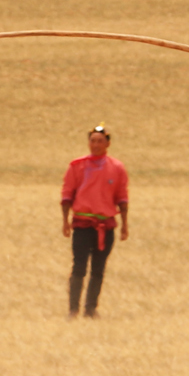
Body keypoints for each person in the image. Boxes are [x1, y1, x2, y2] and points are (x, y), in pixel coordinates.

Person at [60, 124, 129, 319]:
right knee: (79, 267)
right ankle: (73, 309)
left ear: (107, 144)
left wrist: (124, 225)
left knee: (98, 269)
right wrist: (65, 221)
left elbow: (122, 198)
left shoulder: (117, 168)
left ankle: (90, 309)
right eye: (92, 141)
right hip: (83, 225)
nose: (96, 144)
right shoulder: (77, 166)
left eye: (100, 141)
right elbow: (67, 194)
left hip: (105, 226)